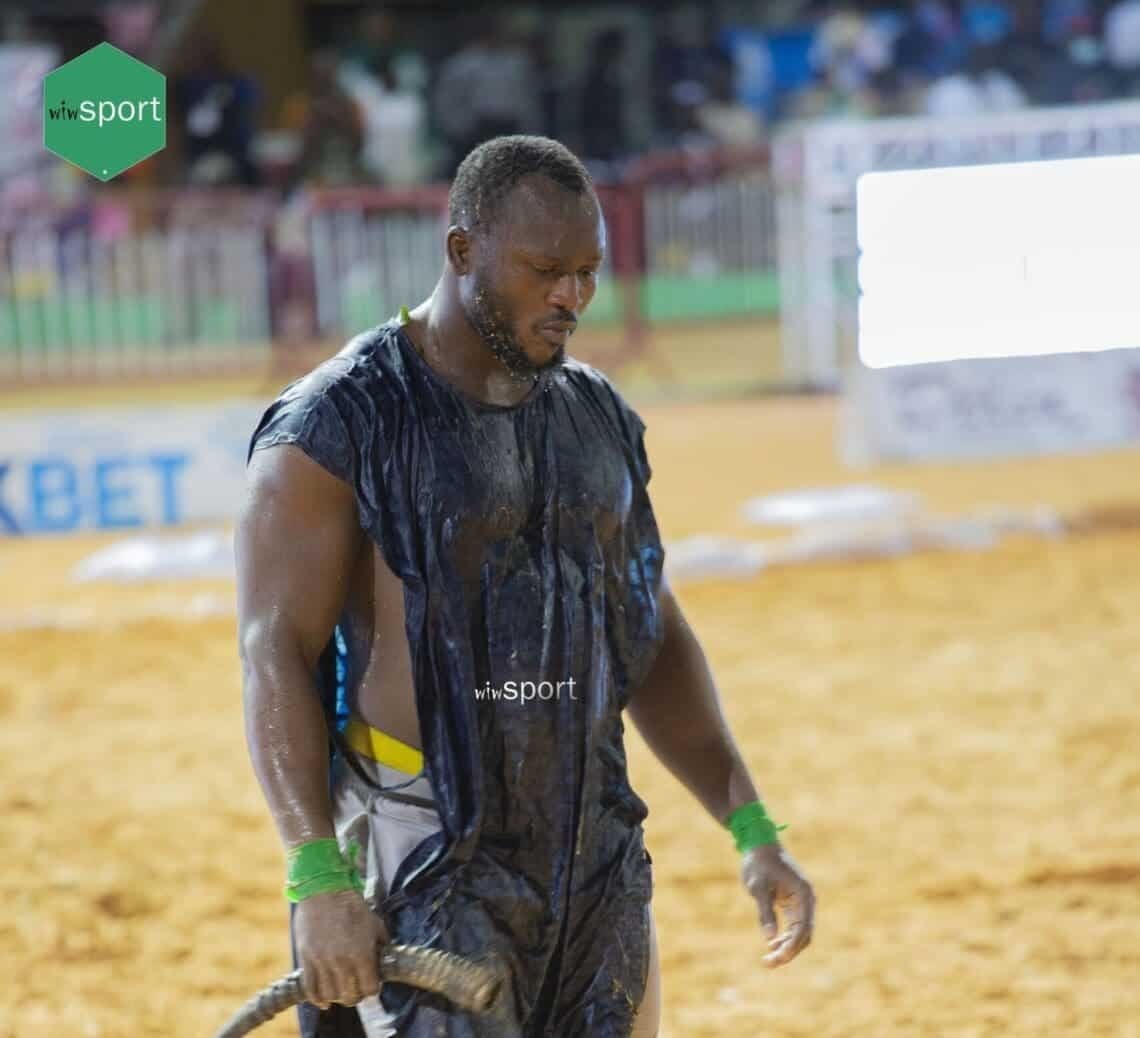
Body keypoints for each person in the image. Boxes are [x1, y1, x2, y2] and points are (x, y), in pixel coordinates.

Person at [236, 135, 815, 1038]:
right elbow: (272, 648)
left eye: (587, 273)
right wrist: (317, 874)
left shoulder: (596, 415)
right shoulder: (335, 423)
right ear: (462, 251)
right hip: (425, 852)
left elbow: (648, 632)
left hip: (592, 848)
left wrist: (750, 828)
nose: (571, 298)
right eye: (547, 269)